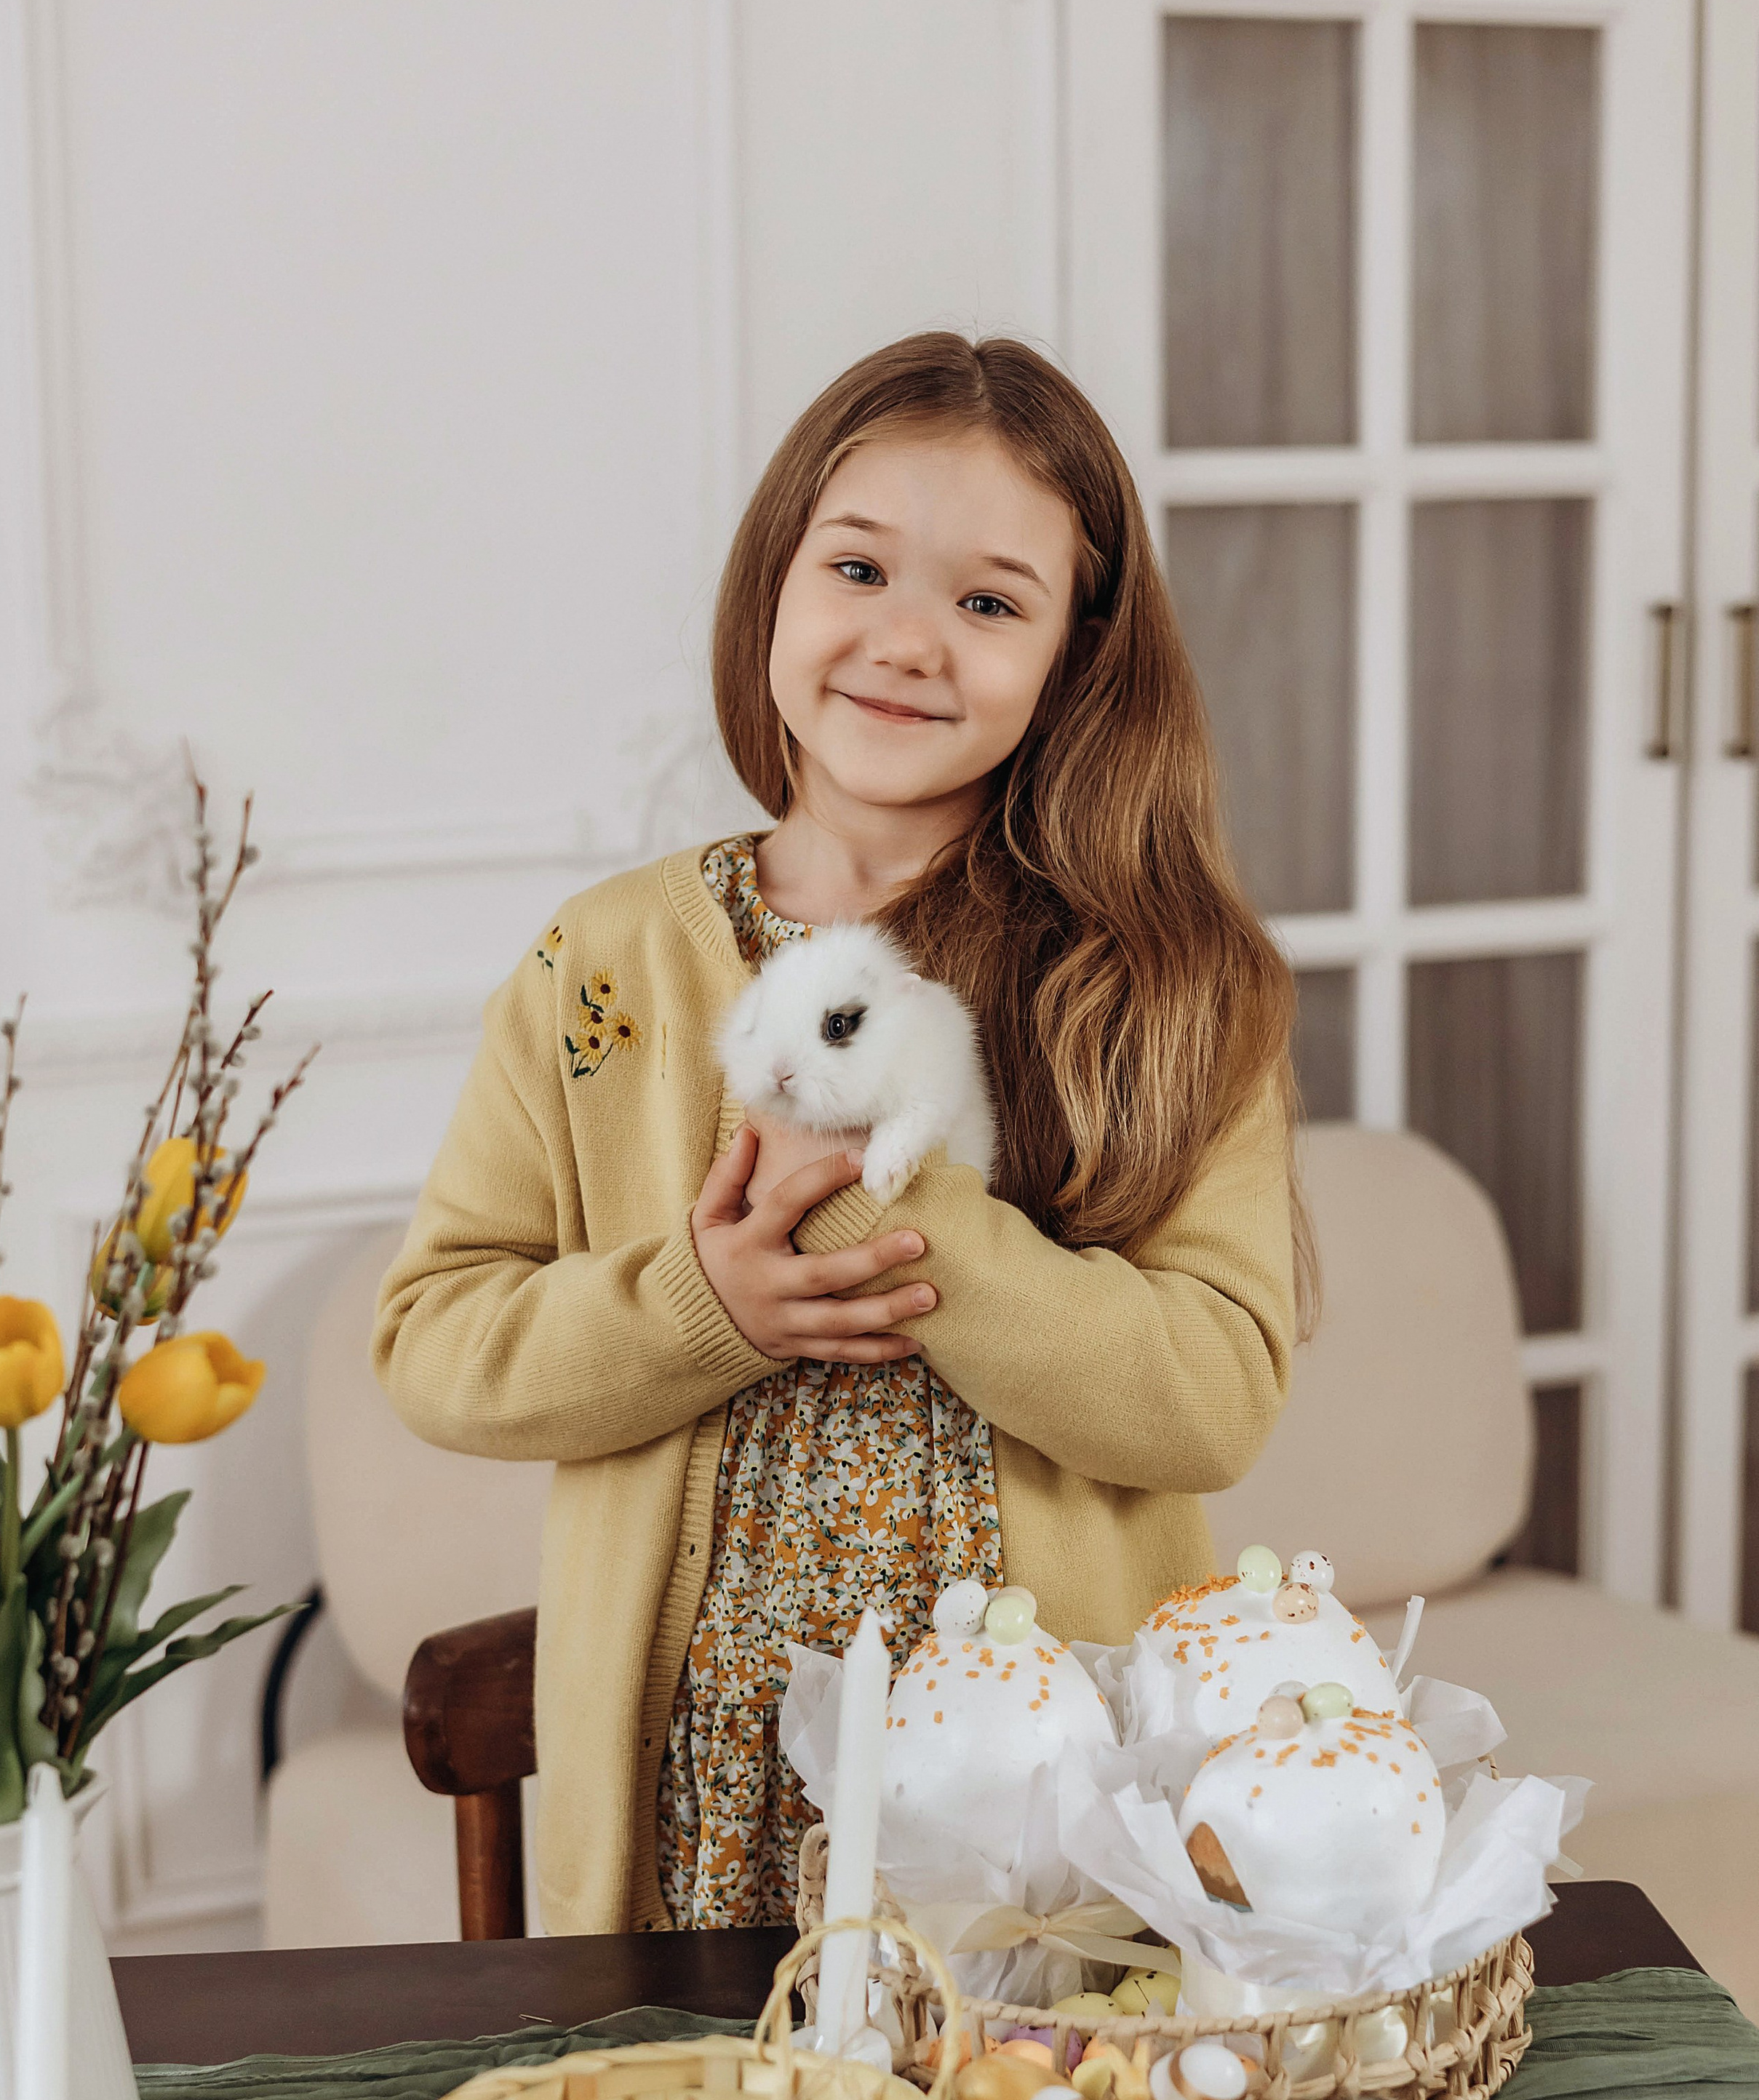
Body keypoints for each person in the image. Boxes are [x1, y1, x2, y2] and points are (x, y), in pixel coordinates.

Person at [374, 332, 1304, 1937]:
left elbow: (1211, 1398)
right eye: (858, 566)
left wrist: (915, 1209)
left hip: (1047, 1832)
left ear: (1076, 656)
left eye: (989, 601)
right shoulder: (602, 964)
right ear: (773, 587)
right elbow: (433, 1338)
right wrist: (700, 1310)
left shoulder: (1165, 984)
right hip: (696, 1817)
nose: (905, 641)